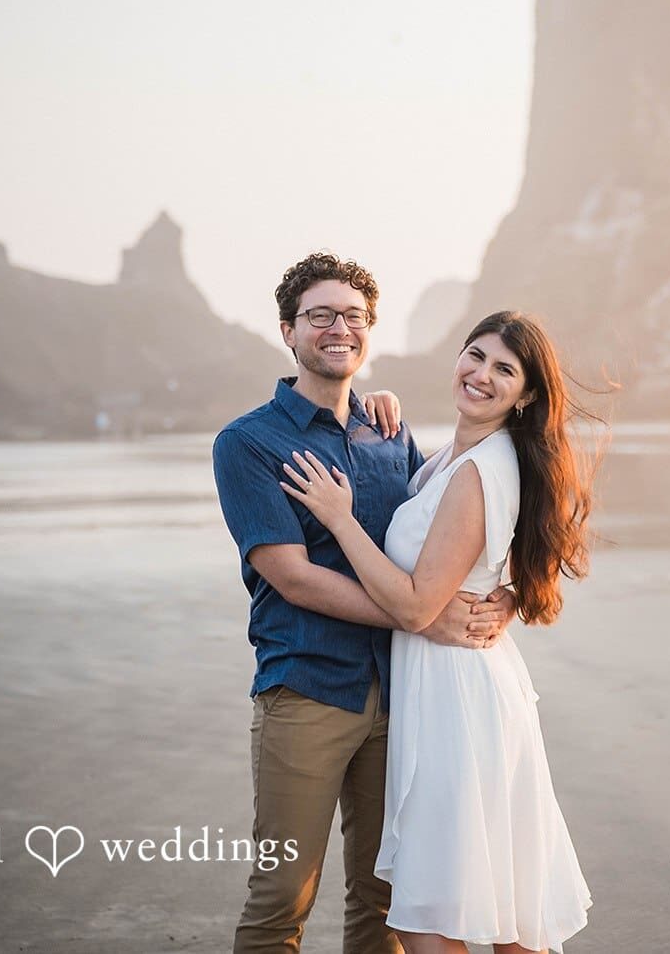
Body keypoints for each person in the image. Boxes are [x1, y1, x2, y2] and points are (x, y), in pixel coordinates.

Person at [212, 253, 517, 954]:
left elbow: (440, 537)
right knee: (280, 896)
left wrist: (502, 594)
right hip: (307, 687)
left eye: (352, 315)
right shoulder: (248, 442)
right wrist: (423, 615)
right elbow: (292, 576)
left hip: (406, 695)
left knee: (385, 897)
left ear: (368, 331)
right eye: (320, 315)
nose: (337, 328)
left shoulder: (388, 431)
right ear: (288, 330)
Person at [279, 310, 595, 953]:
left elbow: (420, 606)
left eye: (504, 369)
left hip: (458, 698)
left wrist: (341, 521)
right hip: (458, 687)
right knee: (491, 898)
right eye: (474, 355)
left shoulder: (482, 469)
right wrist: (376, 406)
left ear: (528, 393)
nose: (481, 375)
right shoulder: (460, 455)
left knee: (437, 913)